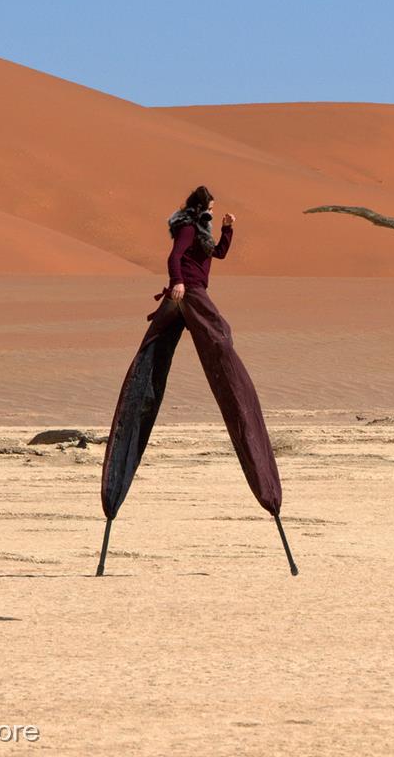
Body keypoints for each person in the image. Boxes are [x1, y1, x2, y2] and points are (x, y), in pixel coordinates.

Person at [99, 185, 290, 571]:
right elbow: (174, 256)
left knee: (220, 341)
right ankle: (113, 498)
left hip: (191, 291)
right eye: (213, 208)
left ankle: (268, 497)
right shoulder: (187, 227)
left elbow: (217, 254)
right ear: (201, 207)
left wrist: (227, 230)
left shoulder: (202, 230)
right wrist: (179, 285)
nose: (214, 211)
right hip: (189, 294)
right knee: (219, 337)